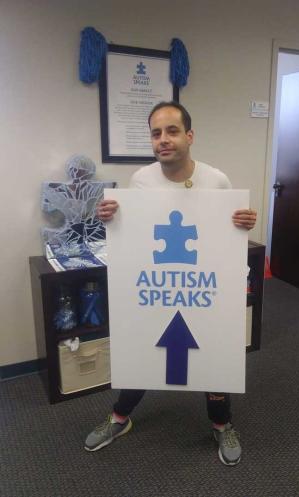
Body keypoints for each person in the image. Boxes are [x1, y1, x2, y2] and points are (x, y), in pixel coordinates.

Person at [85, 101, 257, 466]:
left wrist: (243, 222)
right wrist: (110, 218)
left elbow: (225, 235)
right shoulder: (141, 181)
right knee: (145, 352)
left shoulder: (217, 179)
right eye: (156, 133)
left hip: (201, 285)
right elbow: (135, 237)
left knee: (213, 353)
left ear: (190, 136)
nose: (163, 139)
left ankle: (222, 423)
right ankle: (120, 418)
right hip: (159, 285)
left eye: (172, 131)